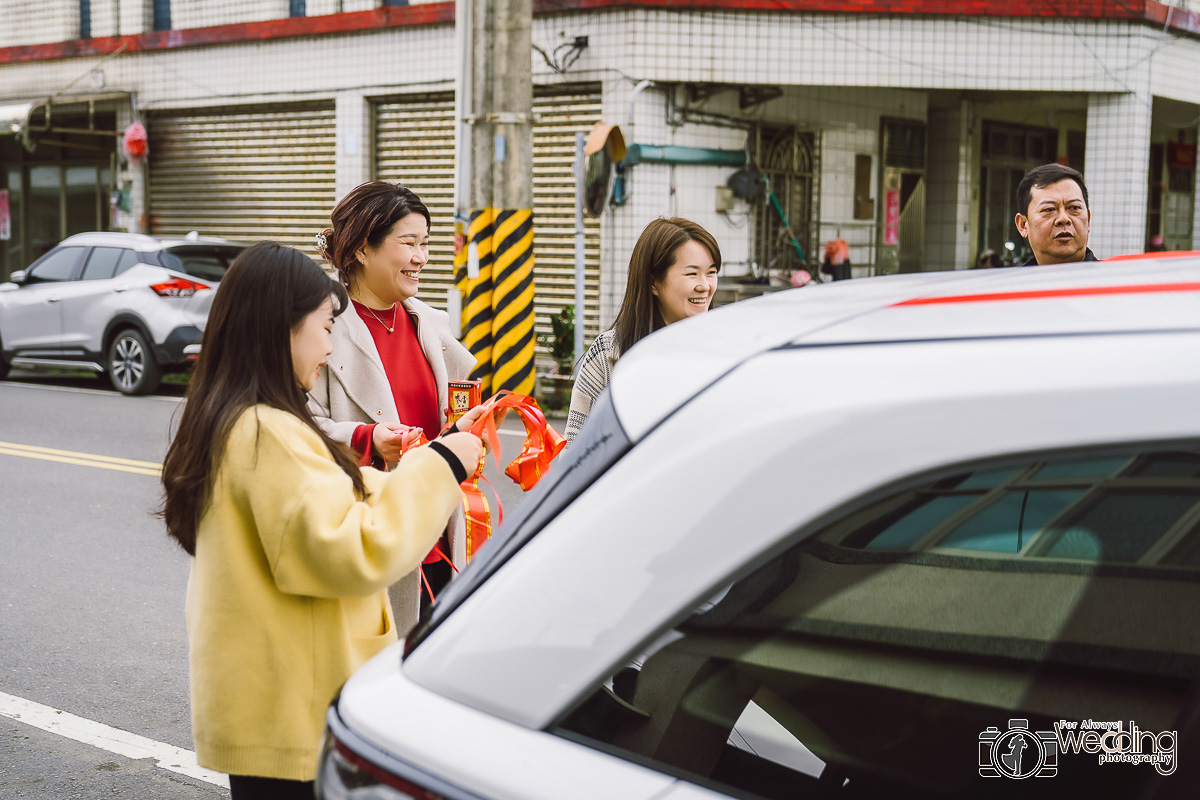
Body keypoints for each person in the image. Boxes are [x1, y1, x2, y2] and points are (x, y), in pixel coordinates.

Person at [160, 242, 483, 799]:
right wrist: (446, 463)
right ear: (283, 328)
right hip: (294, 712)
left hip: (275, 701)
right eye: (326, 327)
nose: (331, 348)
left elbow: (336, 497)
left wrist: (430, 459)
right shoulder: (267, 433)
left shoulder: (243, 420)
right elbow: (353, 548)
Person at [309, 181, 476, 629]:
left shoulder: (429, 325)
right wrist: (366, 439)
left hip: (437, 530)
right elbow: (292, 423)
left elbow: (447, 422)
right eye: (409, 243)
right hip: (369, 537)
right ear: (363, 248)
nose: (421, 257)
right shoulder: (319, 326)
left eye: (426, 244)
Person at [566, 217, 721, 443]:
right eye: (692, 273)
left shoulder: (725, 351)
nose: (705, 286)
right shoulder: (608, 354)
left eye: (711, 272)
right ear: (653, 283)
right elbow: (575, 450)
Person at [1014, 164, 1098, 266]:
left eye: (1074, 208)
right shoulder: (1013, 282)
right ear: (1023, 225)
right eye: (1049, 209)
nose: (1063, 219)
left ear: (1088, 220)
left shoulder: (1114, 280)